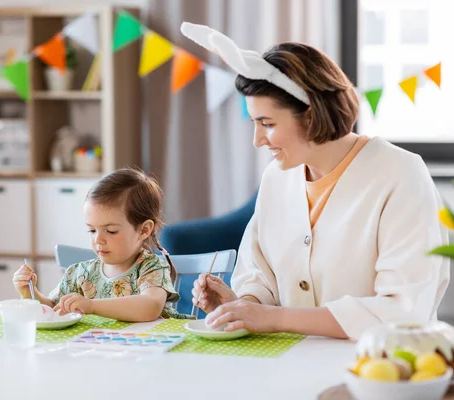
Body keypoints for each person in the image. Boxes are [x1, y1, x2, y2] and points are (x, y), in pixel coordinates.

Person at [182, 22, 450, 339]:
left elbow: (402, 311)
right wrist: (241, 305)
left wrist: (272, 318)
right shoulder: (276, 179)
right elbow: (260, 275)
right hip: (285, 363)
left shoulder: (400, 175)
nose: (258, 140)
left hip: (375, 370)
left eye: (266, 123)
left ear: (310, 115)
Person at [13, 168, 190, 322]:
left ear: (144, 230)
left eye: (111, 231)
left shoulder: (151, 268)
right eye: (92, 230)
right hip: (103, 353)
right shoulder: (80, 274)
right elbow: (53, 310)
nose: (98, 239)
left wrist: (91, 305)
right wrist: (31, 293)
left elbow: (150, 306)